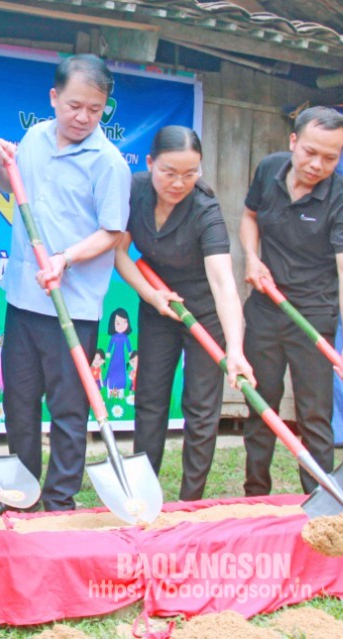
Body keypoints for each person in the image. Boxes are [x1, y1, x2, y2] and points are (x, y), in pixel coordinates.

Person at [0, 54, 131, 514]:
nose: (84, 117)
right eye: (74, 106)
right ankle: (21, 493)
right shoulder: (33, 138)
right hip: (23, 298)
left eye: (95, 108)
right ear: (54, 98)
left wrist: (65, 259)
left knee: (68, 408)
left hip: (73, 304)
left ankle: (60, 496)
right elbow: (11, 189)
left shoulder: (109, 163)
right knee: (19, 400)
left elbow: (112, 233)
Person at [113, 126, 255, 501]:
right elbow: (119, 253)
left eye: (191, 174)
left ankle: (190, 501)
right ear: (149, 164)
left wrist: (236, 351)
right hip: (158, 304)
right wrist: (152, 294)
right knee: (149, 398)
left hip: (204, 314)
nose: (179, 183)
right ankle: (142, 494)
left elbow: (224, 283)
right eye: (169, 173)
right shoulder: (135, 190)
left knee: (201, 406)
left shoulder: (205, 210)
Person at [239, 106, 343, 496]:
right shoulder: (269, 170)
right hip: (264, 309)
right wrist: (252, 257)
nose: (317, 164)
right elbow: (249, 216)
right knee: (261, 405)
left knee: (314, 415)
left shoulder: (341, 201)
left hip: (312, 318)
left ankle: (319, 499)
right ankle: (256, 493)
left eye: (331, 157)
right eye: (310, 152)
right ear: (293, 141)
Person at [103, 308, 132, 397]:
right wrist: (108, 352)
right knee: (112, 369)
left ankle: (120, 389)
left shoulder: (125, 337)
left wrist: (130, 353)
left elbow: (128, 346)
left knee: (121, 370)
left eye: (125, 322)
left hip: (122, 357)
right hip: (115, 356)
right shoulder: (114, 337)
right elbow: (110, 345)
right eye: (118, 323)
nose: (121, 326)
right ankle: (110, 388)